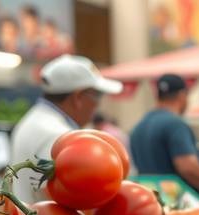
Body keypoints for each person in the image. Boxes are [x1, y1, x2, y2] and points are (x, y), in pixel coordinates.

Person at [9, 54, 122, 204]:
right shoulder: (59, 137)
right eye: (98, 95)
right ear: (78, 97)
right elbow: (57, 198)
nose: (98, 105)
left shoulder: (33, 119)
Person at [129, 73, 199, 196]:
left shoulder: (138, 127)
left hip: (150, 201)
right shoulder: (176, 125)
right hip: (178, 204)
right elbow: (188, 167)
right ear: (182, 96)